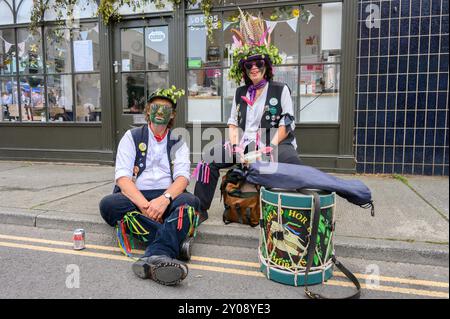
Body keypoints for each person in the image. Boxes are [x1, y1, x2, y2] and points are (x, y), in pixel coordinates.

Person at [193, 9, 302, 223]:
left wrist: (268, 147)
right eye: (249, 65)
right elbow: (233, 123)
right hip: (245, 144)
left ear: (266, 66)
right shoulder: (240, 92)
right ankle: (199, 210)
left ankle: (292, 215)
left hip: (274, 142)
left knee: (293, 164)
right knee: (209, 159)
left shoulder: (281, 90)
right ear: (244, 69)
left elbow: (286, 123)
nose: (254, 68)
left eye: (258, 63)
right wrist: (235, 147)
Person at [99, 86, 199, 286]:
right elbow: (123, 178)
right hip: (136, 196)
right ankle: (174, 243)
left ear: (172, 115)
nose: (160, 111)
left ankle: (155, 255)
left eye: (166, 108)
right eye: (156, 106)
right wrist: (146, 206)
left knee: (190, 201)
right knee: (108, 205)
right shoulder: (132, 136)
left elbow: (182, 178)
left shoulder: (178, 140)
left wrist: (164, 200)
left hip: (167, 195)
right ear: (148, 111)